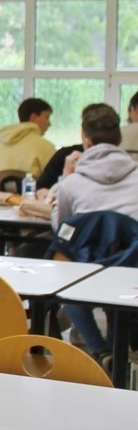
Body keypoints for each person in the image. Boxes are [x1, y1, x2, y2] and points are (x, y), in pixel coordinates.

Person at [52, 104, 138, 362]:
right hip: (131, 273)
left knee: (65, 279)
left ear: (85, 140)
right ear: (119, 139)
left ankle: (100, 351)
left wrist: (64, 178)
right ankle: (118, 353)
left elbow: (61, 229)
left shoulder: (72, 184)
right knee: (118, 270)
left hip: (85, 274)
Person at [0, 98, 57, 181]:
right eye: (47, 117)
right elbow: (53, 182)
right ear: (34, 117)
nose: (49, 124)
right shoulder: (45, 147)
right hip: (27, 193)